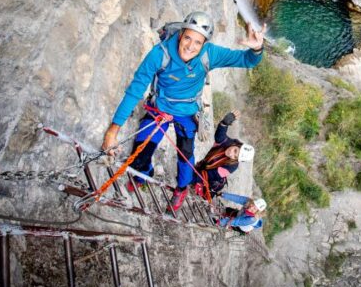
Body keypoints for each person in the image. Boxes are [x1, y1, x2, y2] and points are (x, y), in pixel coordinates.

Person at [101, 11, 266, 211]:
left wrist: (257, 49)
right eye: (187, 37)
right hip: (160, 108)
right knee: (141, 151)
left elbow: (246, 60)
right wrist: (113, 131)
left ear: (204, 43)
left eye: (197, 42)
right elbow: (135, 90)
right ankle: (144, 172)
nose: (190, 46)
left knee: (186, 160)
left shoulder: (209, 54)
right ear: (180, 34)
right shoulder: (160, 54)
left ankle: (181, 190)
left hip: (187, 112)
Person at [191, 110, 254, 201]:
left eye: (235, 156)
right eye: (235, 150)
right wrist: (224, 123)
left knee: (192, 179)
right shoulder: (226, 143)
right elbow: (219, 136)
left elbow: (211, 175)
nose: (231, 154)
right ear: (236, 145)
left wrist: (192, 178)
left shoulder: (232, 166)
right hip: (205, 167)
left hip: (212, 180)